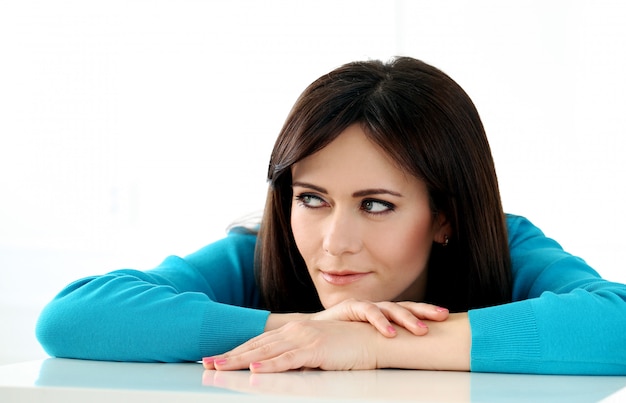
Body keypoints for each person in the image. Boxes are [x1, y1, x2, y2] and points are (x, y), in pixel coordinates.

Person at [36, 56, 626, 375]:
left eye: (375, 205)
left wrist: (375, 344)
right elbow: (73, 317)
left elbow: (614, 322)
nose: (333, 243)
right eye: (311, 199)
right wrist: (304, 334)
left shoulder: (507, 245)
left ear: (445, 215)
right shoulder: (259, 252)